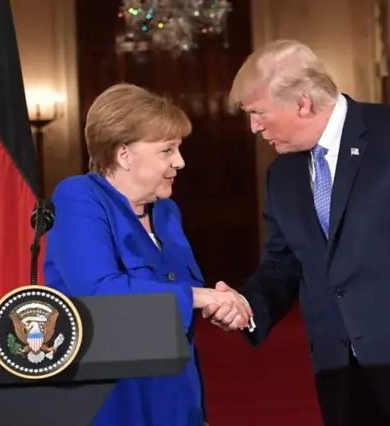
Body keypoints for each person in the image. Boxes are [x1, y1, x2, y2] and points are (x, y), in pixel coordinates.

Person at [203, 40, 390, 426]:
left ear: (302, 103)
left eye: (258, 113)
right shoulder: (281, 175)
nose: (253, 127)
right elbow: (283, 265)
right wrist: (244, 309)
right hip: (343, 380)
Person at [43, 83, 252, 426]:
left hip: (176, 389)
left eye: (179, 149)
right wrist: (199, 297)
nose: (180, 162)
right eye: (167, 150)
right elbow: (97, 291)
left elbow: (182, 293)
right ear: (124, 154)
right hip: (113, 393)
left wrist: (218, 304)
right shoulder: (78, 196)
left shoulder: (167, 211)